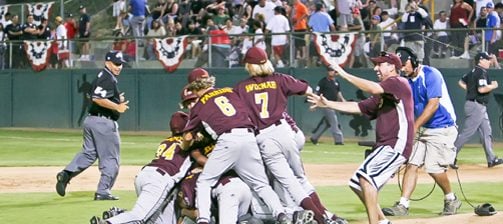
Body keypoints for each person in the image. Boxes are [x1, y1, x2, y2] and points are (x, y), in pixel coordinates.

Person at [235, 46, 341, 224]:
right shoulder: (280, 79)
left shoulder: (241, 88)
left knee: (288, 182)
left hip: (264, 138)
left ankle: (322, 219)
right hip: (285, 132)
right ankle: (329, 216)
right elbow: (306, 89)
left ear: (249, 66)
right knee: (300, 178)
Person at [308, 52, 414, 224]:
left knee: (366, 180)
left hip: (397, 143)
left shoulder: (398, 83)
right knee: (357, 183)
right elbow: (358, 106)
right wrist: (328, 104)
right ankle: (383, 221)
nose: (376, 68)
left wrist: (343, 73)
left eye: (380, 64)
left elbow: (372, 88)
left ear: (392, 66)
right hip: (385, 144)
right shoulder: (384, 92)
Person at [181, 68, 291, 224]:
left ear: (194, 86)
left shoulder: (199, 105)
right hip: (248, 137)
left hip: (227, 140)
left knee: (205, 181)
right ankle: (281, 214)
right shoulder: (230, 91)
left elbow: (187, 136)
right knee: (260, 184)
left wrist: (185, 146)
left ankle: (203, 220)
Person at [381, 47, 461, 217]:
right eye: (399, 66)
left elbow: (433, 105)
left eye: (404, 64)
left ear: (414, 61)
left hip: (442, 127)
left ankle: (451, 198)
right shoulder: (406, 81)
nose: (402, 68)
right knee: (411, 165)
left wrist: (414, 127)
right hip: (422, 128)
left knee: (433, 168)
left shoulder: (431, 74)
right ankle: (403, 205)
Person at [89, 111, 191, 224]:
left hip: (144, 175)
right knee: (139, 216)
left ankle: (120, 215)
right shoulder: (190, 144)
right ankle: (110, 222)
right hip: (160, 180)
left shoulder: (166, 141)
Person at [55, 50, 129, 200]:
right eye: (116, 63)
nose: (119, 67)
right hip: (104, 123)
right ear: (107, 62)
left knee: (89, 154)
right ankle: (103, 191)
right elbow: (97, 98)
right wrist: (117, 106)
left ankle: (66, 174)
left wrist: (115, 99)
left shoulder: (103, 76)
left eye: (120, 64)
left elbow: (98, 95)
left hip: (91, 121)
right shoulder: (108, 78)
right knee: (110, 158)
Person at [453, 52, 503, 168]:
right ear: (480, 60)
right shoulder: (480, 72)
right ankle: (450, 156)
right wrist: (493, 86)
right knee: (467, 133)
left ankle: (491, 159)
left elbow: (461, 82)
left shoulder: (473, 71)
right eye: (487, 59)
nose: (489, 61)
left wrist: (470, 90)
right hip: (476, 106)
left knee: (486, 132)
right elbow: (481, 89)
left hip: (478, 105)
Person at [310, 67, 346, 145]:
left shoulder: (336, 82)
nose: (332, 72)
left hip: (334, 104)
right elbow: (317, 92)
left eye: (333, 71)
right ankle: (338, 140)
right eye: (330, 71)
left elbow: (338, 93)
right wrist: (313, 103)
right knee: (334, 121)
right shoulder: (323, 81)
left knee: (327, 123)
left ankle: (314, 138)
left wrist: (343, 100)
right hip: (325, 104)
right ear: (328, 72)